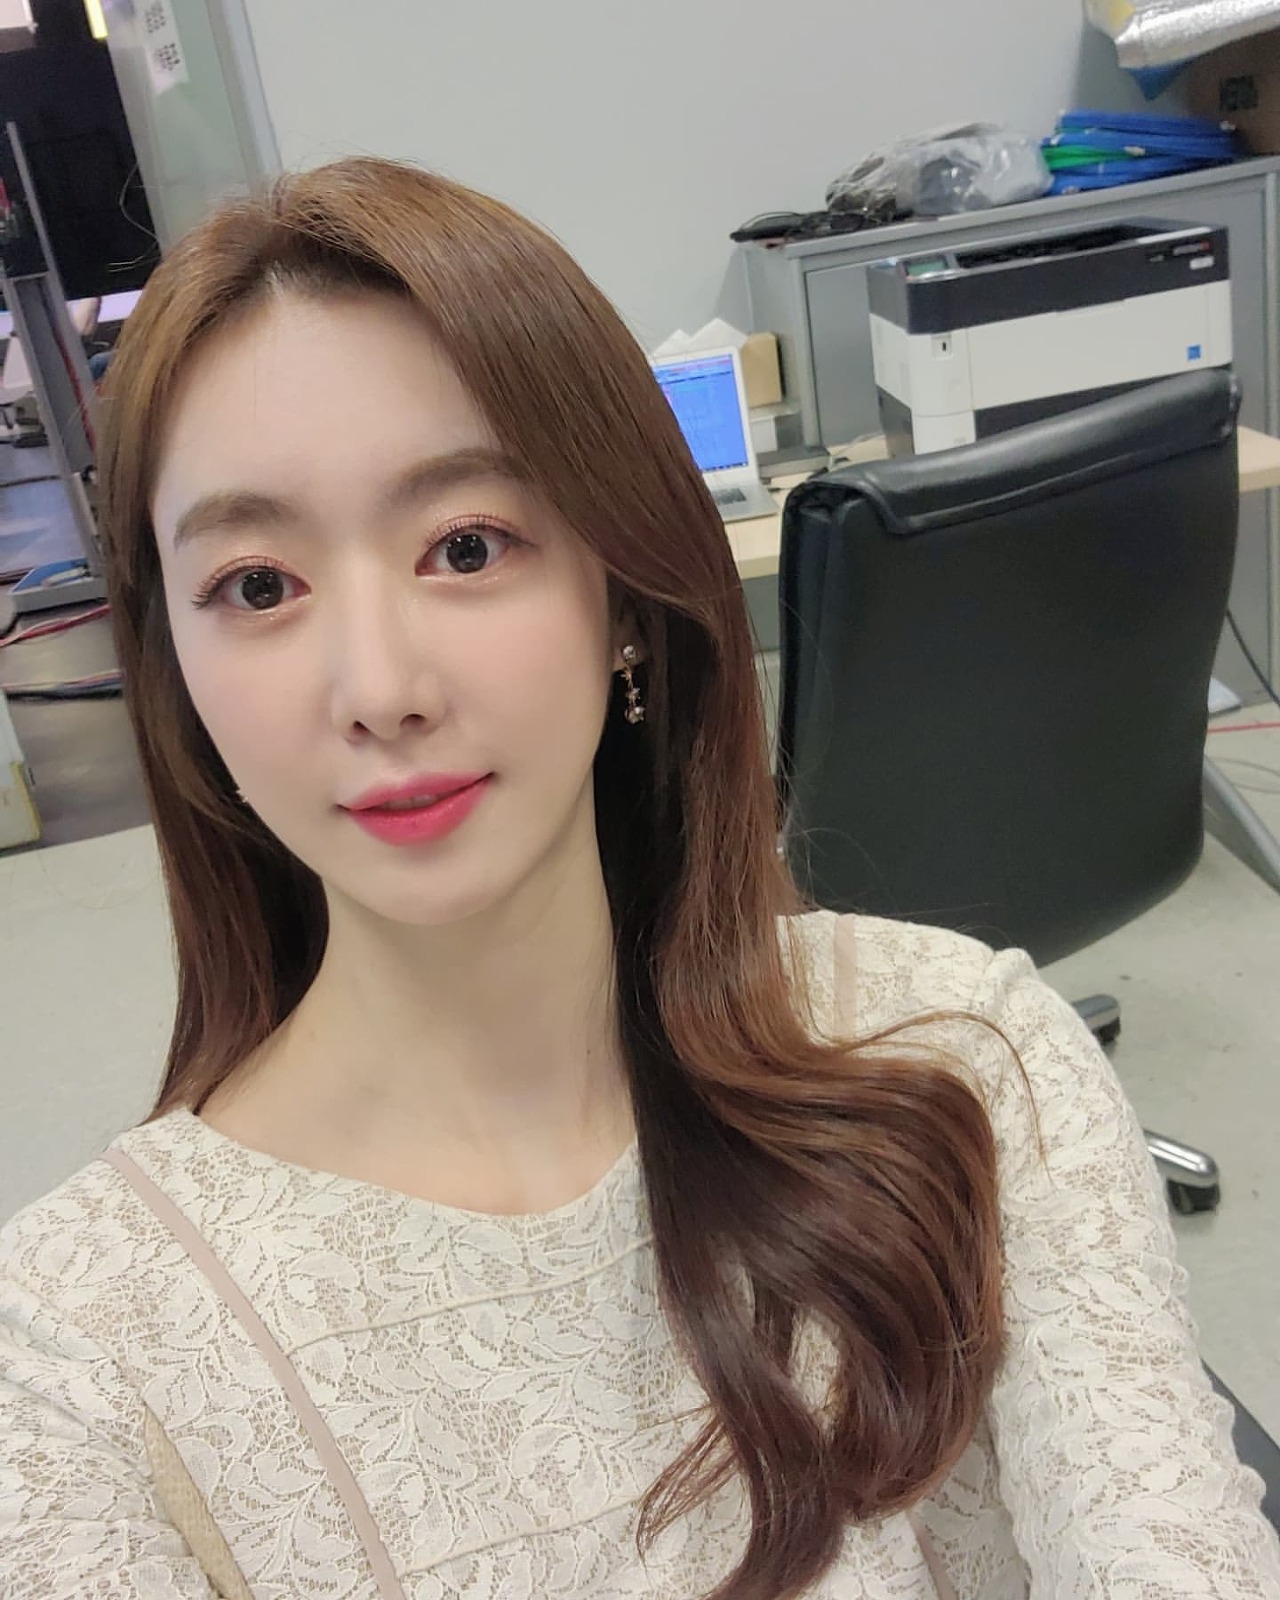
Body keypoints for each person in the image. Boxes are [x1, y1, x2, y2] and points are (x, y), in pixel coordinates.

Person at [0, 158, 1277, 1600]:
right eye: (257, 585)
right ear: (173, 666)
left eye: (466, 546)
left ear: (620, 596)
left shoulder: (964, 1061)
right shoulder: (76, 1355)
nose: (378, 688)